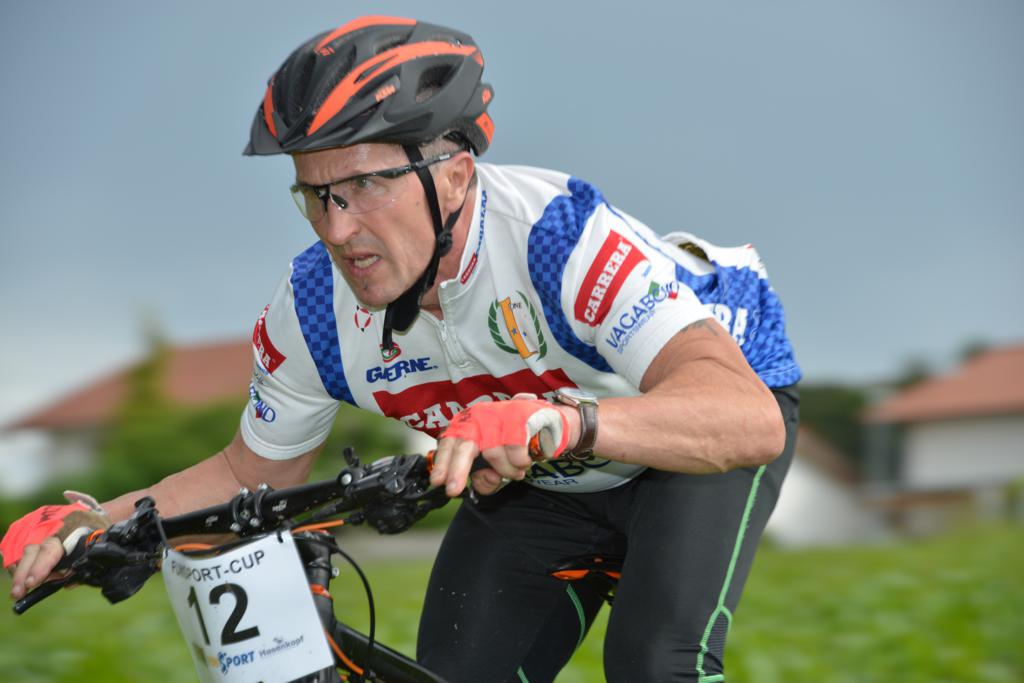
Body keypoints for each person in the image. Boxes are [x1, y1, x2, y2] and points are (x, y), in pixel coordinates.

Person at [2, 15, 801, 682]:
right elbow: (249, 475)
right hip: (543, 476)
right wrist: (94, 522)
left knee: (655, 664)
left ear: (453, 177)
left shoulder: (555, 237)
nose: (338, 227)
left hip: (693, 428)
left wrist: (562, 421)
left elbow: (748, 419)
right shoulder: (313, 311)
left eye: (366, 186)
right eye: (316, 195)